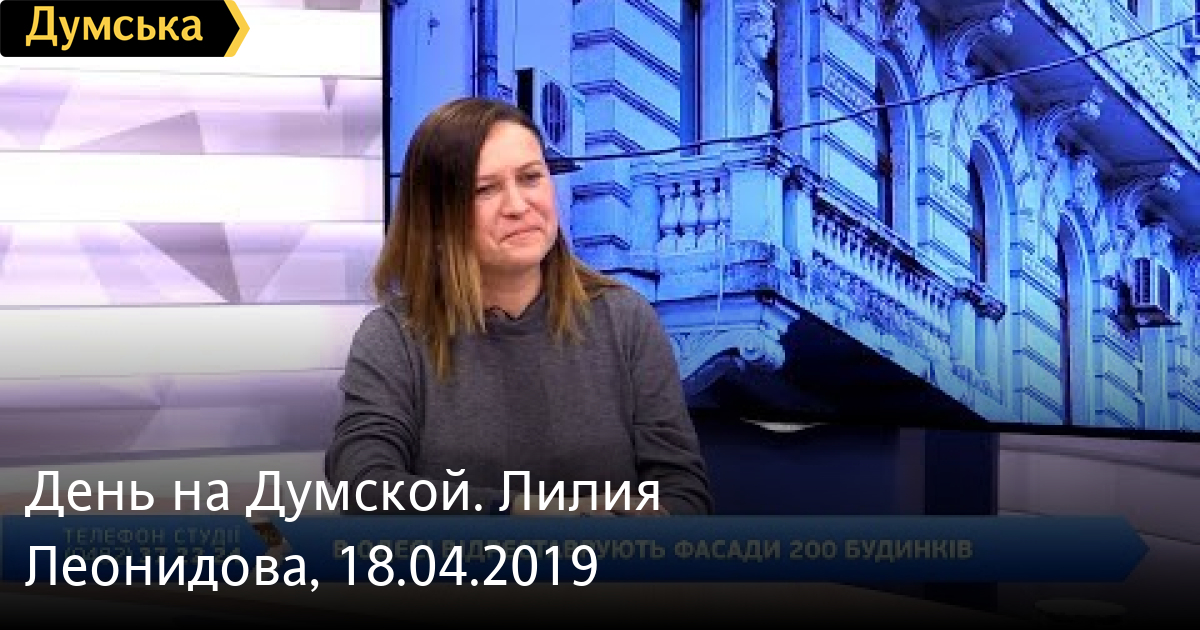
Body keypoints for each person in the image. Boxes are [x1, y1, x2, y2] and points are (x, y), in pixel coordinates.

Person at [325, 97, 714, 516]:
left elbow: (685, 495)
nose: (517, 206)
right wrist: (525, 514)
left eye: (530, 178)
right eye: (485, 189)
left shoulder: (626, 320)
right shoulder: (394, 336)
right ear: (437, 216)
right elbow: (363, 484)